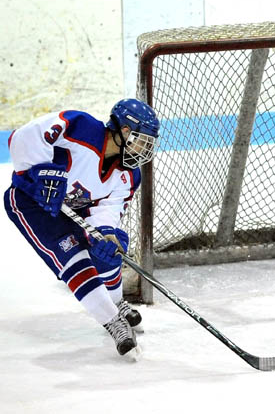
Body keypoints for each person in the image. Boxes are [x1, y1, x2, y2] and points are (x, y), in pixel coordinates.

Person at [4, 99, 160, 356]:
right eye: (142, 140)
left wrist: (107, 233)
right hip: (31, 204)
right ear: (124, 131)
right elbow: (20, 139)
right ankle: (112, 322)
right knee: (73, 256)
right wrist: (41, 172)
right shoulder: (80, 128)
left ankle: (117, 302)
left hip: (73, 208)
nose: (145, 149)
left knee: (107, 251)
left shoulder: (129, 175)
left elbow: (107, 210)